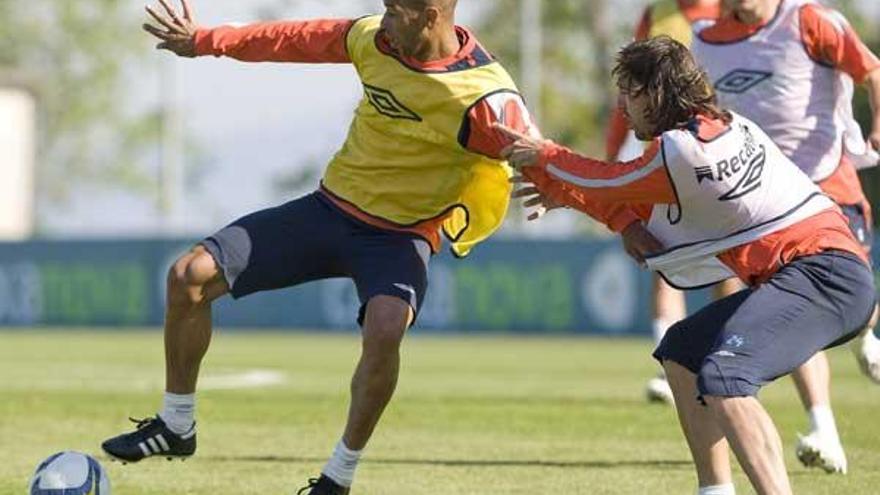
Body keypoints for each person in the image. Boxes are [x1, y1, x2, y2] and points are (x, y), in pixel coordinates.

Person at [101, 0, 543, 493]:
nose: (385, 20)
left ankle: (338, 476)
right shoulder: (372, 39)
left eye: (396, 11)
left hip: (399, 238)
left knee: (385, 328)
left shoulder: (483, 95)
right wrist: (207, 41)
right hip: (328, 211)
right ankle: (176, 424)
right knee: (189, 276)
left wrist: (555, 188)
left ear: (432, 15)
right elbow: (293, 38)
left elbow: (538, 153)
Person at [499, 36, 876, 495]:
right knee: (682, 353)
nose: (623, 106)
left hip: (823, 275)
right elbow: (627, 204)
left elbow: (608, 181)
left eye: (629, 92)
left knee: (726, 377)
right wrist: (587, 200)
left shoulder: (681, 152)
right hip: (823, 272)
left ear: (653, 94)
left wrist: (543, 154)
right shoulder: (720, 129)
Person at [691, 0, 880, 473]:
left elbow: (872, 71)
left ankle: (865, 335)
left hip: (829, 188)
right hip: (768, 208)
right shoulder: (705, 42)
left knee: (853, 300)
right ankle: (824, 427)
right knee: (791, 304)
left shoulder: (811, 21)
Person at [606, 0, 728, 405]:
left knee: (729, 264)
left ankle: (727, 359)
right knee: (662, 258)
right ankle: (670, 366)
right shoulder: (657, 12)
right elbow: (632, 84)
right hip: (667, 153)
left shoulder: (733, 10)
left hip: (715, 153)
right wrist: (613, 150)